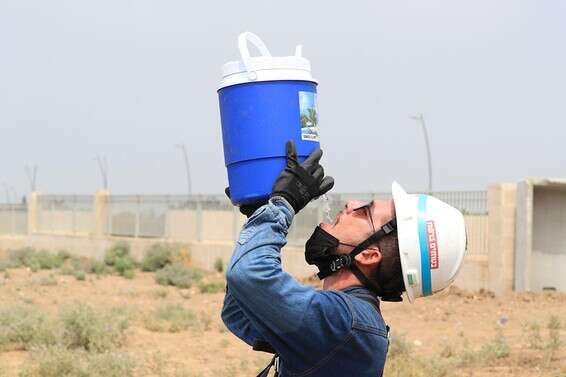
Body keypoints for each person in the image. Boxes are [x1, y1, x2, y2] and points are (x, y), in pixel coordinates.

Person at [221, 141, 467, 377]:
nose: (351, 204)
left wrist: (281, 206)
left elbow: (247, 274)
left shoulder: (346, 323)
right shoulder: (349, 319)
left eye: (365, 211)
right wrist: (260, 212)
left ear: (369, 255)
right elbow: (238, 312)